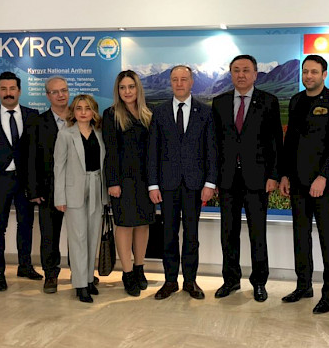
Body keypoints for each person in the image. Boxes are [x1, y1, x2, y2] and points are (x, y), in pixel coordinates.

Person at [279, 55, 329, 314]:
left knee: (327, 238)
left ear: (324, 74)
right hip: (297, 182)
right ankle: (303, 285)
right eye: (305, 71)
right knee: (300, 236)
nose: (308, 76)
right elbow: (290, 142)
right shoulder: (297, 100)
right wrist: (285, 175)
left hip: (323, 184)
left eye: (314, 72)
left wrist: (324, 176)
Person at [212, 54, 283, 302]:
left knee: (257, 234)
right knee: (228, 233)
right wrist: (214, 178)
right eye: (236, 70)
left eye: (245, 70)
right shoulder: (219, 102)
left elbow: (276, 141)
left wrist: (274, 175)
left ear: (255, 74)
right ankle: (230, 280)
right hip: (227, 179)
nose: (241, 74)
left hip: (258, 179)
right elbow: (215, 144)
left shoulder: (269, 101)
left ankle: (259, 282)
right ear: (230, 74)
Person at [148, 65, 217, 300]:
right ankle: (170, 281)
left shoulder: (205, 112)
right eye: (175, 79)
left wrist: (210, 183)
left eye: (184, 79)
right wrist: (153, 184)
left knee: (191, 235)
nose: (179, 83)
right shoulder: (159, 112)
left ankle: (190, 281)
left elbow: (211, 150)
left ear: (191, 82)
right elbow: (153, 150)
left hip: (194, 184)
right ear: (170, 82)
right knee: (168, 235)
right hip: (166, 185)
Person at [0, 71, 41, 291]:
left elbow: (38, 150)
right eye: (3, 89)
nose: (8, 93)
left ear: (19, 91)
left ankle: (25, 265)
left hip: (25, 180)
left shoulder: (33, 115)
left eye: (12, 88)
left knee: (26, 224)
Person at [102, 70, 155, 297]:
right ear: (118, 90)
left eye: (131, 87)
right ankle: (127, 273)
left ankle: (139, 268)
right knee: (124, 226)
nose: (127, 91)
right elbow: (111, 151)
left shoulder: (149, 113)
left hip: (145, 180)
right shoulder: (111, 114)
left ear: (138, 88)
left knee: (142, 225)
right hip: (122, 182)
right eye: (122, 87)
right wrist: (113, 181)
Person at [53, 94, 107, 303]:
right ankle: (80, 284)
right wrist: (60, 197)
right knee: (78, 238)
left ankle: (89, 279)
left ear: (94, 112)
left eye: (88, 108)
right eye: (79, 108)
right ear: (73, 112)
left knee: (92, 236)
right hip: (73, 191)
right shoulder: (65, 134)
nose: (83, 112)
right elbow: (59, 167)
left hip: (96, 187)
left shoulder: (100, 134)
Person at [25, 76, 71, 293]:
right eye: (55, 92)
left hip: (77, 188)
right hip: (48, 189)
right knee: (49, 235)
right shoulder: (37, 122)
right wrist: (33, 190)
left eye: (64, 90)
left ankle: (81, 273)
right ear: (47, 95)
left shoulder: (81, 118)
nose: (61, 95)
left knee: (79, 234)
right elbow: (30, 158)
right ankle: (51, 275)